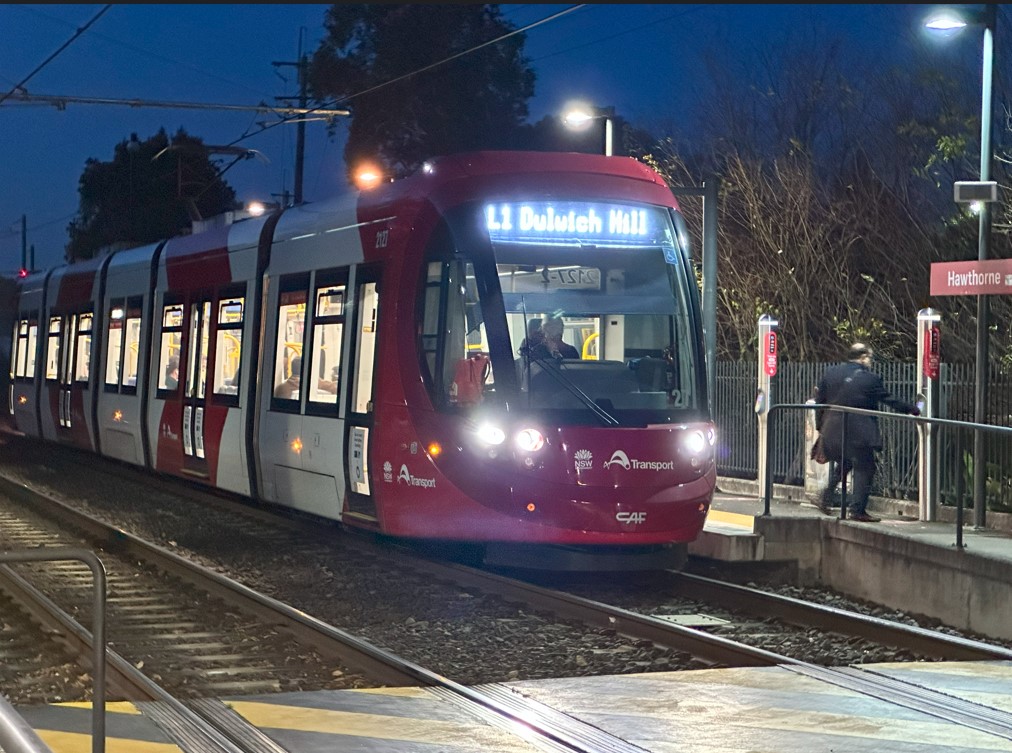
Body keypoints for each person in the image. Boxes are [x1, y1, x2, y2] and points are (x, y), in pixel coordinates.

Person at [815, 342, 918, 522]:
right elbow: (889, 399)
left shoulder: (831, 373)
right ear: (863, 357)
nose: (871, 361)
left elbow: (819, 402)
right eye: (870, 357)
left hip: (831, 430)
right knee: (866, 467)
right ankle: (857, 510)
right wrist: (914, 409)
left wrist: (820, 427)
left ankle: (825, 497)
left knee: (845, 462)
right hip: (857, 433)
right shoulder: (870, 379)